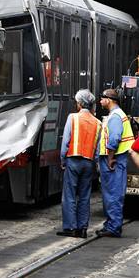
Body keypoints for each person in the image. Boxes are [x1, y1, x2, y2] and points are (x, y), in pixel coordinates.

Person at [57, 90, 101, 238]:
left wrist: (62, 159)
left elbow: (66, 141)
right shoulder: (97, 123)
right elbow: (98, 148)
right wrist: (96, 165)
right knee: (84, 196)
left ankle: (70, 227)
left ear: (80, 103)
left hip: (73, 160)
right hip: (88, 163)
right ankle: (82, 228)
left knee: (69, 194)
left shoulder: (73, 118)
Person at [97, 89, 134, 237]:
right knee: (111, 193)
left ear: (110, 100)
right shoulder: (117, 115)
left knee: (113, 193)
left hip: (114, 160)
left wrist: (110, 157)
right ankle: (111, 224)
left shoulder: (116, 116)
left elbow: (114, 139)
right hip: (117, 159)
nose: (100, 101)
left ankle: (113, 227)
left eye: (102, 98)